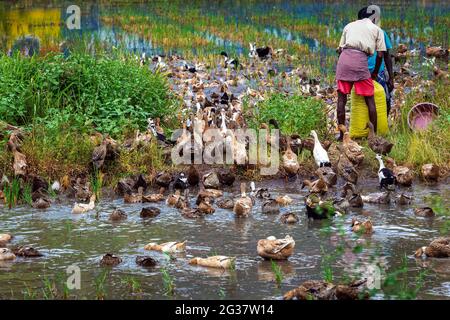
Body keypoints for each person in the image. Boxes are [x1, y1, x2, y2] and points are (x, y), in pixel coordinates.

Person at [336, 12, 386, 140]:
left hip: (344, 59)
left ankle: (342, 135)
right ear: (372, 18)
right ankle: (372, 136)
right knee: (370, 99)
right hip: (360, 61)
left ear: (359, 17)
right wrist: (374, 72)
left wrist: (343, 66)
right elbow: (380, 55)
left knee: (341, 100)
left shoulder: (349, 26)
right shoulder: (377, 29)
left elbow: (340, 49)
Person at [359, 5, 394, 115]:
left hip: (363, 73)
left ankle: (372, 126)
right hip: (376, 73)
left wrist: (391, 77)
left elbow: (386, 55)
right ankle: (379, 126)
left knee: (365, 101)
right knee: (384, 100)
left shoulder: (356, 34)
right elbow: (386, 55)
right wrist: (391, 78)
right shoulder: (380, 32)